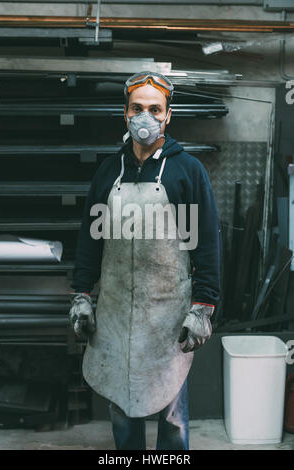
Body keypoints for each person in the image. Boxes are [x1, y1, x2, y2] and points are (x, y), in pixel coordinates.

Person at [69, 71, 221, 450]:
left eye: (155, 109)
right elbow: (91, 241)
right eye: (137, 108)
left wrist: (202, 306)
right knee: (122, 409)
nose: (145, 117)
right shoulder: (108, 173)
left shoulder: (186, 172)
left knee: (172, 422)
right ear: (125, 113)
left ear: (168, 116)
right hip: (117, 316)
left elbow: (203, 246)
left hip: (168, 320)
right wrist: (82, 295)